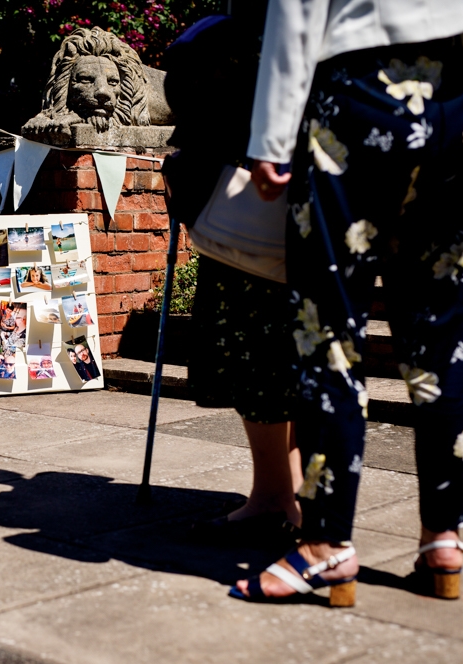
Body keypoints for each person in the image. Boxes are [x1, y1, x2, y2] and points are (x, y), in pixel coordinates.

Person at [232, 0, 463, 606]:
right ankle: (443, 537)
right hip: (459, 97)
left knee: (329, 334)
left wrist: (271, 138)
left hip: (358, 94)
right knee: (446, 335)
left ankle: (326, 544)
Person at [162, 11, 305, 551]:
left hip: (250, 187)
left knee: (258, 346)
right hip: (319, 173)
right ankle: (291, 493)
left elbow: (203, 96)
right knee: (300, 345)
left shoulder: (253, 32)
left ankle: (274, 497)